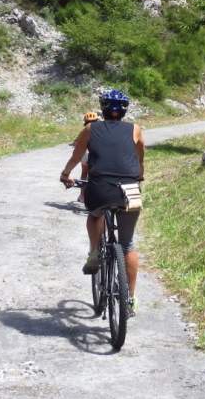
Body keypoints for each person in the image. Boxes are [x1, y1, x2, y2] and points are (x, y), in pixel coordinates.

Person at [60, 90, 145, 314]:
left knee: (95, 214)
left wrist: (66, 174)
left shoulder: (90, 129)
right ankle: (130, 300)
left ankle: (95, 252)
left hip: (100, 187)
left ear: (103, 109)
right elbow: (139, 155)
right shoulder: (135, 129)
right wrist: (140, 174)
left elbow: (77, 157)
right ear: (125, 110)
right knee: (127, 245)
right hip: (129, 189)